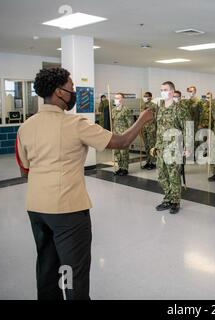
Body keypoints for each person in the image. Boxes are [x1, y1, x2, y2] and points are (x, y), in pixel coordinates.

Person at [15, 67, 153, 300]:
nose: (74, 92)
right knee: (73, 270)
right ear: (59, 92)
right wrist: (141, 120)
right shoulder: (76, 123)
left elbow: (24, 170)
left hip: (36, 208)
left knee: (47, 265)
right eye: (71, 88)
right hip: (68, 210)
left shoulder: (26, 127)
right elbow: (121, 142)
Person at [152, 81, 190, 214]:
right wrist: (156, 146)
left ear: (172, 92)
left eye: (166, 89)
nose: (163, 91)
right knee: (161, 176)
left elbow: (187, 128)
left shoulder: (180, 108)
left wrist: (187, 146)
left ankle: (175, 201)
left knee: (174, 176)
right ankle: (168, 197)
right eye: (161, 89)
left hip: (174, 148)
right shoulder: (160, 107)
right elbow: (158, 129)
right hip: (161, 148)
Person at [112, 93, 133, 176]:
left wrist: (128, 135)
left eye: (118, 98)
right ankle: (120, 167)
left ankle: (125, 168)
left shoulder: (126, 109)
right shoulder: (113, 110)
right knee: (117, 152)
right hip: (115, 134)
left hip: (123, 134)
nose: (116, 99)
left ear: (122, 99)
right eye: (115, 98)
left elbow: (130, 123)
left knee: (123, 152)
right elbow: (113, 122)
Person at [141, 92, 157, 170]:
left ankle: (153, 162)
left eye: (146, 96)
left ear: (150, 97)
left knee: (152, 146)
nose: (145, 97)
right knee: (146, 146)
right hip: (144, 128)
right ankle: (148, 162)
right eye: (144, 96)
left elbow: (156, 117)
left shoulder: (154, 106)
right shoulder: (143, 105)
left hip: (151, 128)